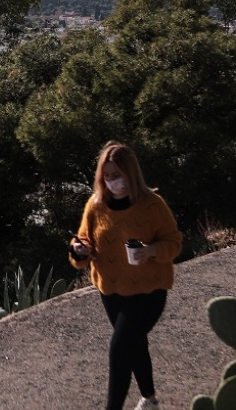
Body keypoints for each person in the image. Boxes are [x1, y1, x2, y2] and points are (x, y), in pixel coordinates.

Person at [68, 141, 182, 410]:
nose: (111, 181)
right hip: (111, 290)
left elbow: (174, 242)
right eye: (106, 175)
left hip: (149, 291)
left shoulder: (152, 205)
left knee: (120, 349)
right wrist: (79, 250)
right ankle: (149, 399)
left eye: (116, 175)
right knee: (135, 344)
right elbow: (82, 242)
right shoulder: (95, 205)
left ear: (131, 173)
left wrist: (152, 250)